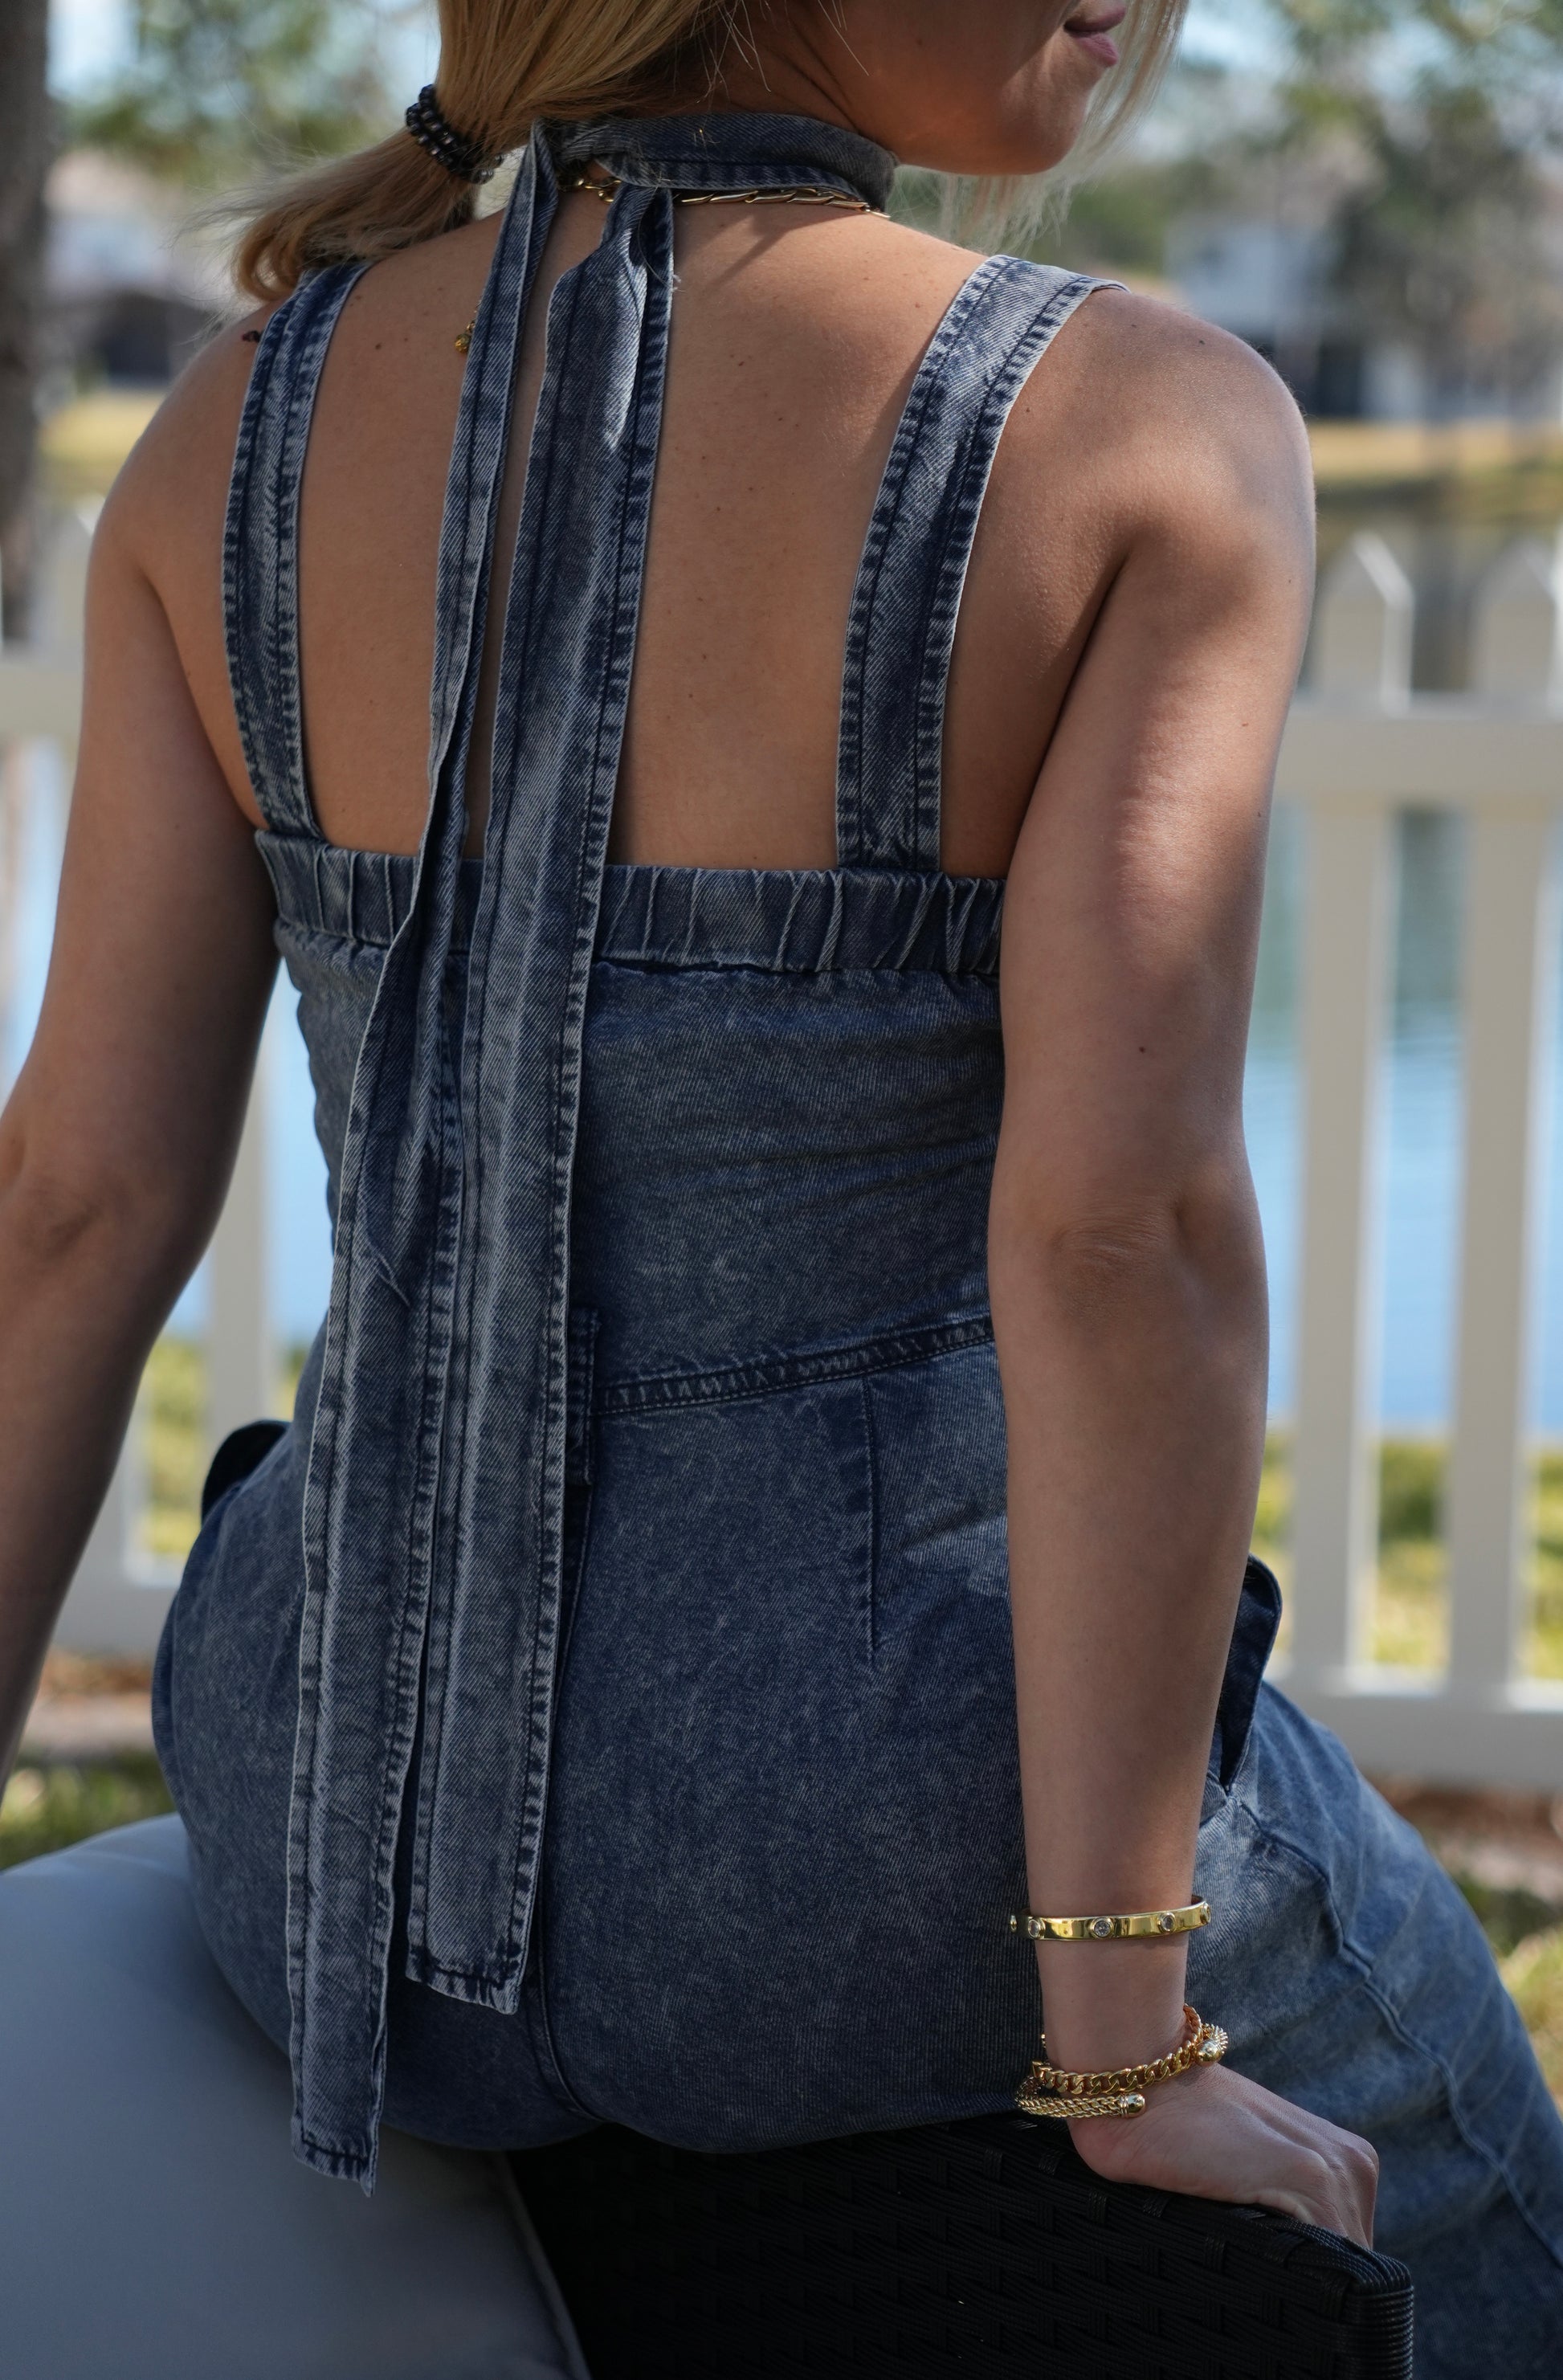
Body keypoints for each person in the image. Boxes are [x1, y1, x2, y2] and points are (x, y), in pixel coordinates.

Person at [1, 2, 1559, 2365]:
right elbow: (1115, 1236)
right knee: (1495, 2220)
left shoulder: (234, 422)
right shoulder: (1133, 418)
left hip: (324, 1827)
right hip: (891, 1852)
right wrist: (1123, 2040)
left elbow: (74, 1202)